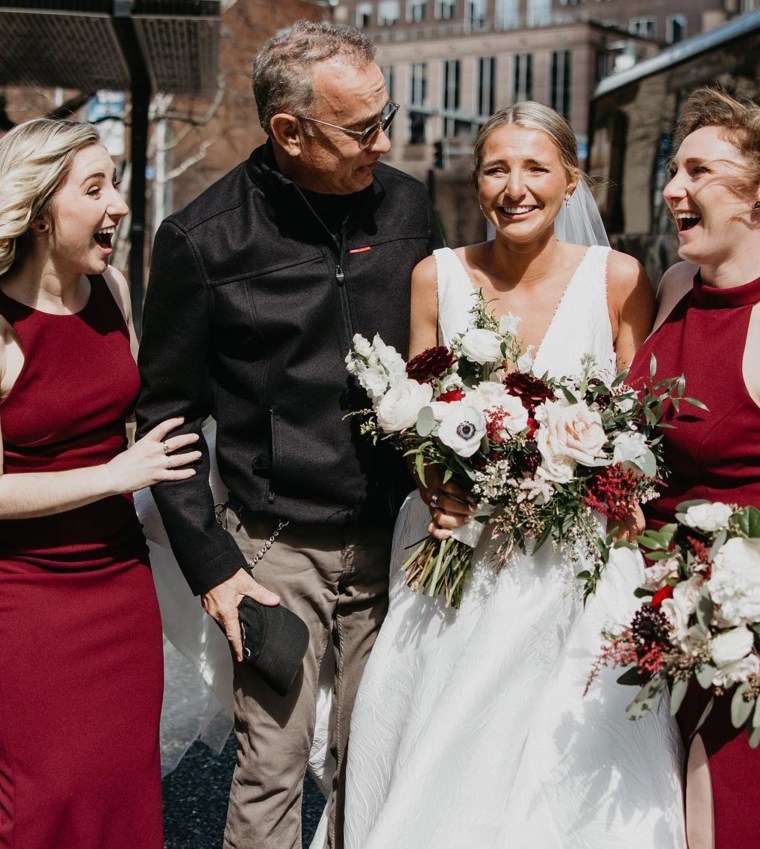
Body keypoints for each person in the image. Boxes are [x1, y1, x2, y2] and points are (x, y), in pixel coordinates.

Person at [338, 102, 687, 849]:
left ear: (571, 181)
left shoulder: (621, 279)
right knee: (444, 746)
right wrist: (437, 482)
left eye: (535, 168)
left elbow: (641, 424)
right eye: (497, 168)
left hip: (580, 564)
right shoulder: (437, 276)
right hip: (462, 552)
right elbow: (412, 414)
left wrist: (614, 483)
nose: (515, 186)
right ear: (478, 180)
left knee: (573, 763)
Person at [135, 20, 443, 849]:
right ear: (289, 131)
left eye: (389, 116)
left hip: (396, 540)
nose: (386, 140)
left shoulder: (410, 205)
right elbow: (165, 419)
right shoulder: (202, 240)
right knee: (272, 766)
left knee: (374, 757)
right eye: (362, 128)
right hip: (272, 550)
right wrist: (215, 569)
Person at [0, 119, 200, 849]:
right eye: (95, 187)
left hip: (119, 587)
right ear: (41, 208)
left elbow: (131, 419)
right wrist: (114, 474)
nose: (117, 203)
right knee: (43, 797)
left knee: (121, 788)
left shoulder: (110, 286)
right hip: (24, 600)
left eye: (114, 182)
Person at [629, 87, 760, 849]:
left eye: (699, 172)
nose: (673, 189)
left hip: (732, 631)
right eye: (673, 171)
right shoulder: (676, 289)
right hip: (652, 610)